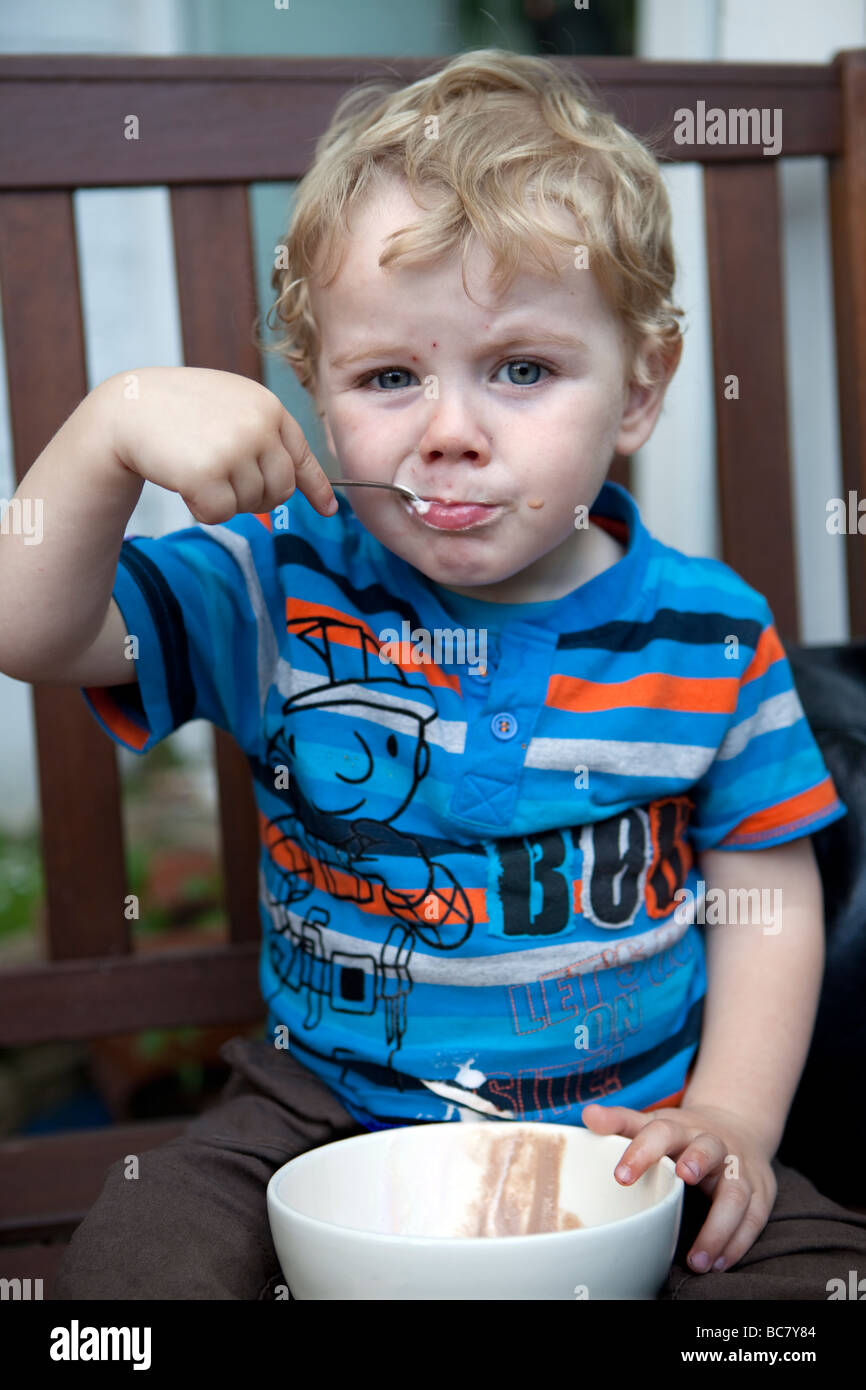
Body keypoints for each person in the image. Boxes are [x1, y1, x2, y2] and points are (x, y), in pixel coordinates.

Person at [3, 48, 865, 1301]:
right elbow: (29, 628)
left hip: (632, 1142)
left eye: (520, 369)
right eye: (389, 376)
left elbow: (764, 888)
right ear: (318, 391)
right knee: (128, 1279)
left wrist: (729, 1119)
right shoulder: (275, 587)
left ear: (640, 387)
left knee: (820, 1288)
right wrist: (107, 432)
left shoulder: (708, 634)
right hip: (321, 1115)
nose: (448, 430)